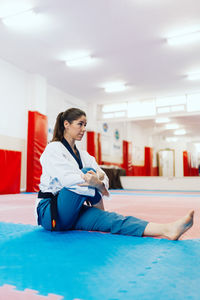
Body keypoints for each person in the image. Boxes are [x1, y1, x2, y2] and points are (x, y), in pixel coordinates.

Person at [37, 108, 194, 240]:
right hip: (52, 213)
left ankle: (166, 229)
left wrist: (97, 182)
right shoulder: (53, 149)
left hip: (73, 211)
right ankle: (100, 212)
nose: (84, 129)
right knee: (86, 174)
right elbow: (68, 180)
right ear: (66, 124)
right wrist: (94, 181)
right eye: (80, 124)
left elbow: (104, 177)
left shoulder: (85, 155)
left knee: (113, 219)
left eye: (85, 125)